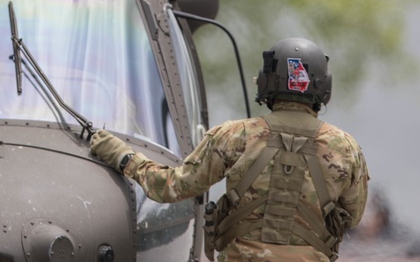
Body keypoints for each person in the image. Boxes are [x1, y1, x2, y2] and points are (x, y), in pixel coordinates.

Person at [91, 37, 368, 262]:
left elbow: (170, 187)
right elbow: (352, 216)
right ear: (323, 88)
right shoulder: (346, 148)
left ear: (267, 81)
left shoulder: (235, 135)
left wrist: (121, 155)